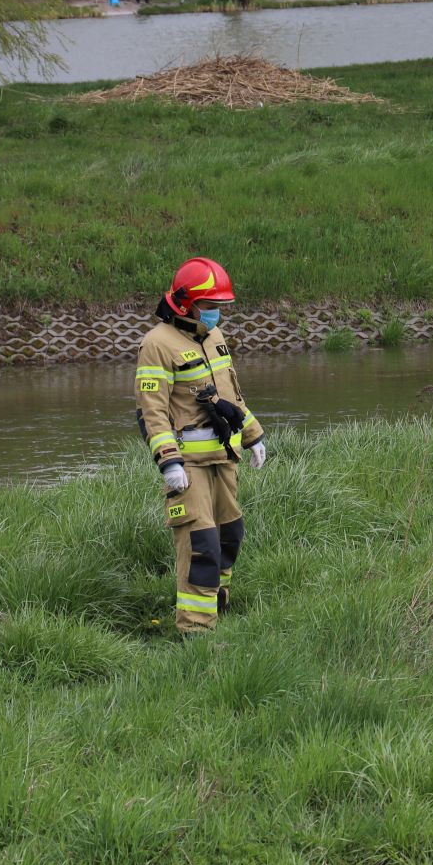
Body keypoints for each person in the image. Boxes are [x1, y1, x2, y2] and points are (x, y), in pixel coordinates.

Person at [135, 257, 267, 634]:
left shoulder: (215, 338)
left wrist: (255, 435)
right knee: (201, 542)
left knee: (230, 534)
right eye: (209, 307)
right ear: (184, 303)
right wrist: (168, 462)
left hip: (224, 457)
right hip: (188, 464)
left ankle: (218, 602)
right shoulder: (156, 345)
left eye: (219, 308)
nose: (215, 315)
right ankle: (195, 629)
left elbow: (232, 396)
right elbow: (152, 410)